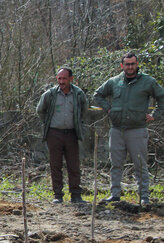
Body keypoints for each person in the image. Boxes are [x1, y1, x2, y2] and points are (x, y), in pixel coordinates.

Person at [94, 51, 164, 206]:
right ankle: (115, 194)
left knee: (140, 164)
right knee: (116, 164)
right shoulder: (114, 82)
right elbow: (97, 95)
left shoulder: (148, 82)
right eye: (127, 64)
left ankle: (144, 196)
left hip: (137, 129)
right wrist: (109, 109)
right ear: (122, 65)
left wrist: (155, 115)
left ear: (137, 64)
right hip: (117, 129)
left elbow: (161, 97)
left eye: (133, 64)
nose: (130, 67)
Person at [36, 67, 88, 204]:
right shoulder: (50, 94)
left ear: (71, 79)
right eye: (59, 78)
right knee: (55, 165)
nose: (61, 81)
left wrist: (77, 123)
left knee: (74, 165)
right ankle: (58, 195)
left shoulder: (78, 94)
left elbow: (84, 108)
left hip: (72, 133)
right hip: (54, 133)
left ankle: (76, 195)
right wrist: (47, 123)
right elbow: (40, 110)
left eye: (64, 78)